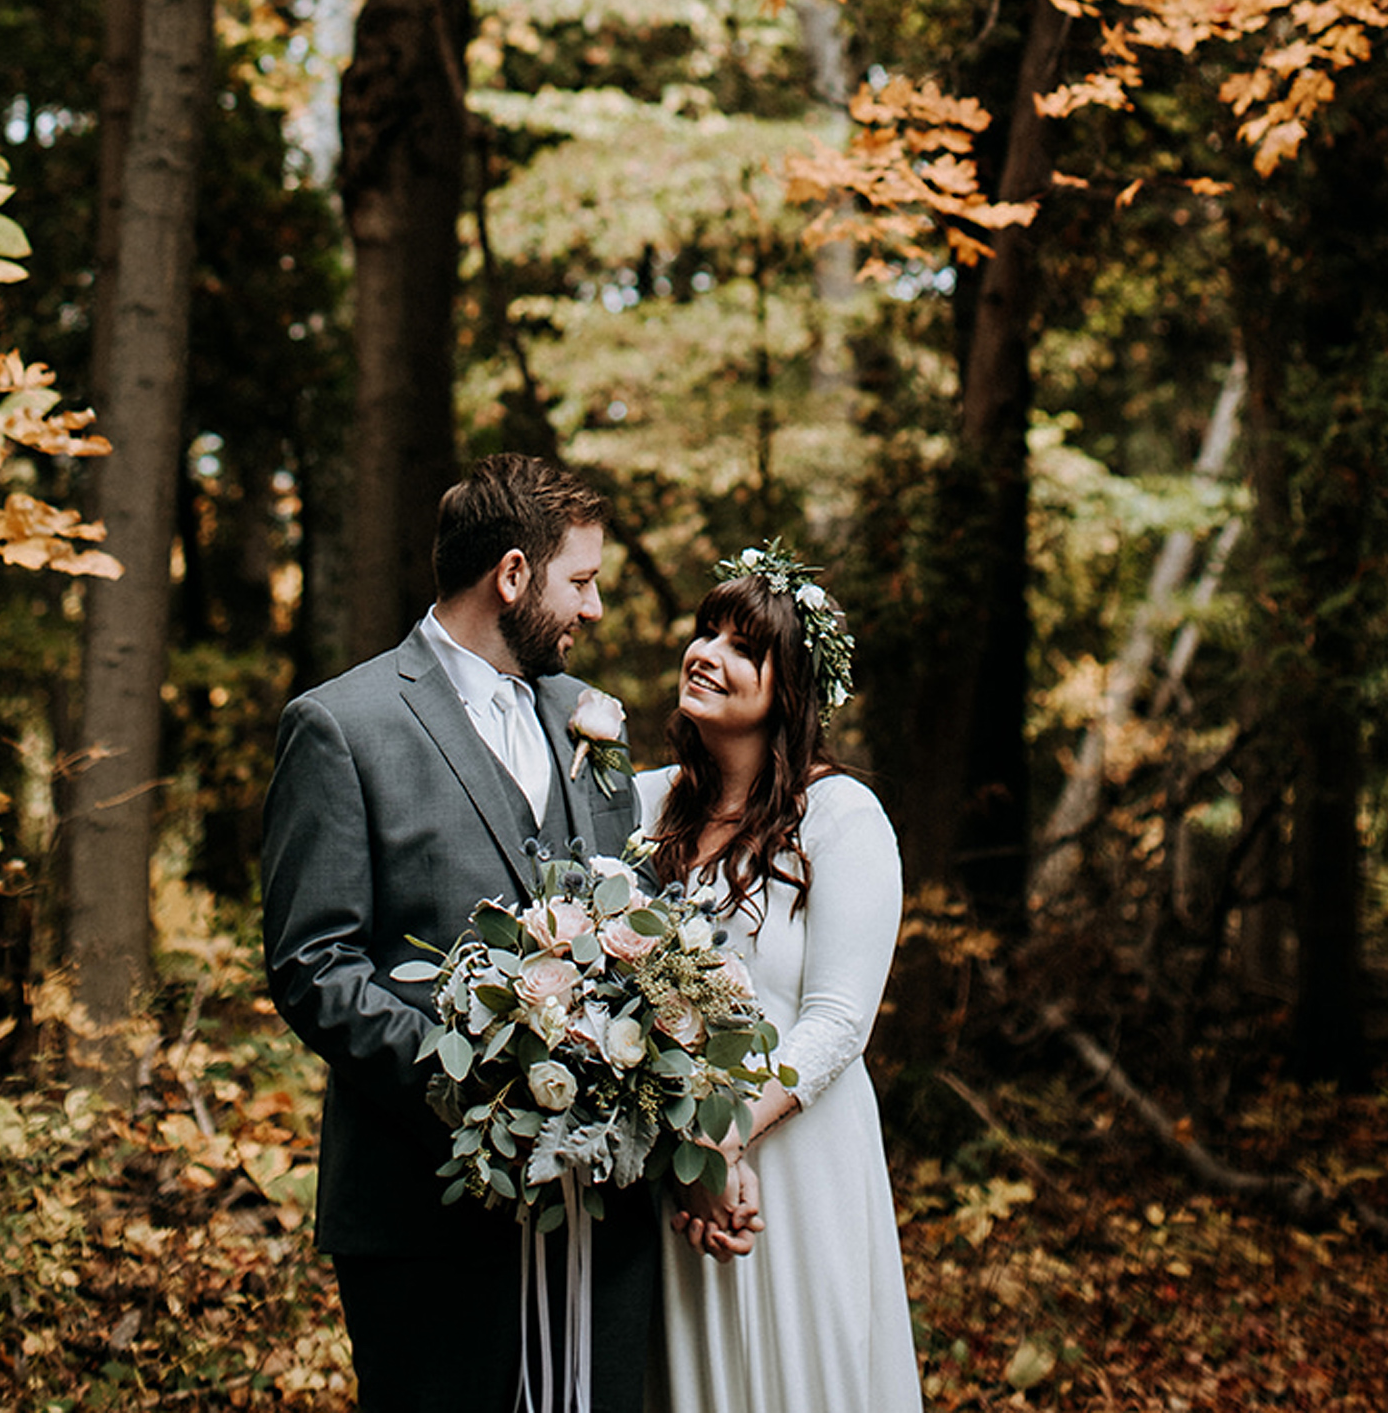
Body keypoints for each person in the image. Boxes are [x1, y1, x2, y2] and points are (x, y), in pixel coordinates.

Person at [261, 453, 661, 1413]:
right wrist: (482, 1073)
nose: (596, 609)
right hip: (426, 1210)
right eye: (582, 581)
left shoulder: (587, 717)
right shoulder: (342, 725)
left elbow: (636, 915)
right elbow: (315, 966)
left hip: (598, 1217)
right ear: (513, 575)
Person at [634, 542, 922, 1413]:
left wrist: (726, 1134)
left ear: (788, 686)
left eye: (742, 646)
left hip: (798, 1154)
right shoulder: (643, 809)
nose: (707, 653)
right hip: (677, 1166)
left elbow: (837, 1019)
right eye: (705, 631)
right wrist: (687, 1150)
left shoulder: (842, 817)